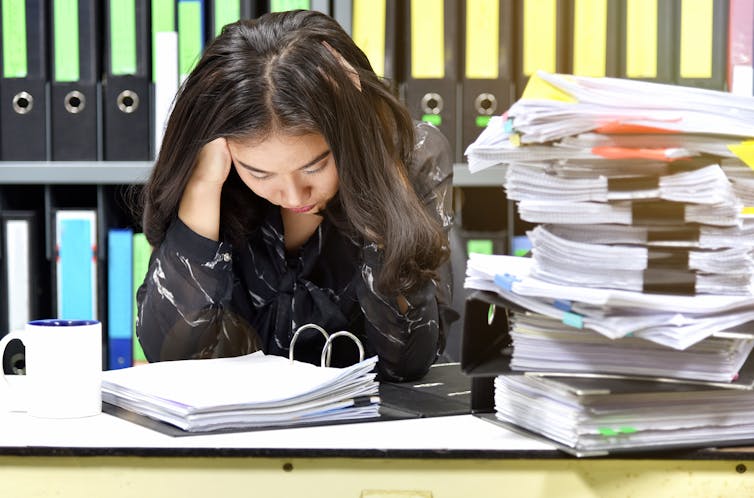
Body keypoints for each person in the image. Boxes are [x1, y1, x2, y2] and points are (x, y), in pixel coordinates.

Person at [135, 9, 457, 382]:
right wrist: (202, 186)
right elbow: (170, 358)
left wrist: (374, 157)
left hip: (365, 431)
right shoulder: (215, 178)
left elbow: (410, 361)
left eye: (314, 166)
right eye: (260, 172)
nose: (291, 195)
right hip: (239, 429)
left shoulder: (411, 154)